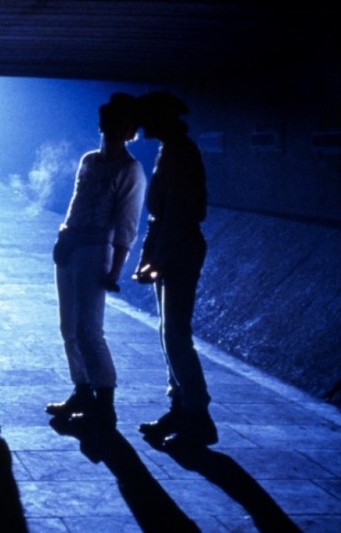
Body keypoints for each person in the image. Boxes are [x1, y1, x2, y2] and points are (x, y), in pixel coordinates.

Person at [44, 92, 147, 429]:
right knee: (69, 327)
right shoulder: (89, 161)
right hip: (72, 244)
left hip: (96, 250)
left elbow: (127, 224)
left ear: (130, 131)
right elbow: (76, 203)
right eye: (110, 121)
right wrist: (63, 237)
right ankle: (82, 389)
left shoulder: (130, 170)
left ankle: (104, 401)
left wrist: (115, 269)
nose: (113, 128)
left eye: (122, 123)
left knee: (89, 329)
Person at [132, 91, 218, 446]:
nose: (142, 124)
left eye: (148, 117)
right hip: (171, 248)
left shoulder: (181, 152)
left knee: (176, 334)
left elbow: (180, 214)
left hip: (180, 249)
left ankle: (197, 414)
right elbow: (161, 215)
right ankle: (180, 405)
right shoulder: (169, 150)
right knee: (169, 332)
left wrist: (159, 258)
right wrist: (149, 256)